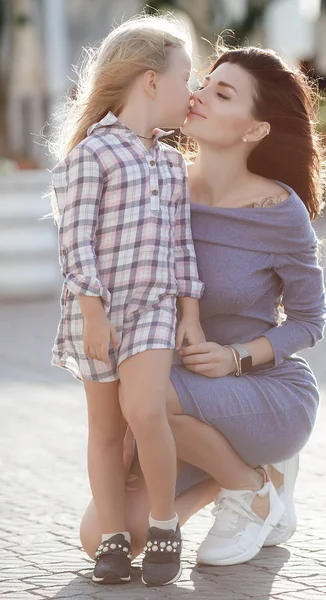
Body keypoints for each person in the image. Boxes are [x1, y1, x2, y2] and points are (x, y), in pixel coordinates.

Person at [80, 43, 326, 572]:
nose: (198, 96)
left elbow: (311, 321)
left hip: (261, 390)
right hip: (169, 394)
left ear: (256, 128)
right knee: (102, 535)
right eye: (203, 83)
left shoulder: (280, 210)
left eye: (222, 93)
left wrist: (237, 356)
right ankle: (236, 477)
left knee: (144, 397)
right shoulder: (160, 182)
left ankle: (251, 487)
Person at [50, 15, 208, 587]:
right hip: (97, 313)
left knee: (145, 412)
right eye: (184, 78)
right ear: (149, 81)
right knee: (106, 431)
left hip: (155, 309)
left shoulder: (170, 161)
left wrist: (189, 314)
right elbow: (75, 242)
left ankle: (165, 525)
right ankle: (114, 540)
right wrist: (92, 311)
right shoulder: (91, 155)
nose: (190, 93)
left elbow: (182, 245)